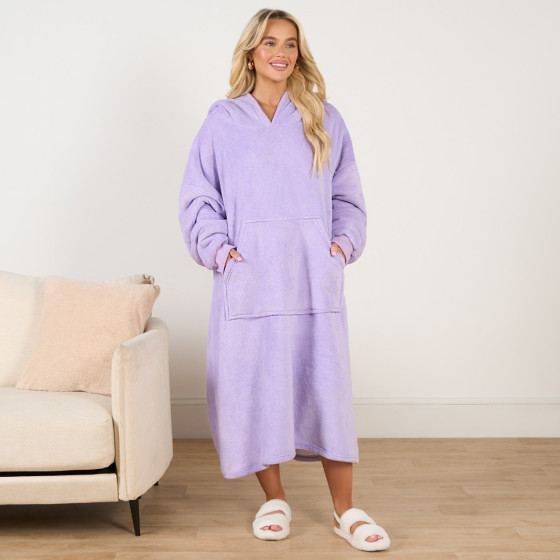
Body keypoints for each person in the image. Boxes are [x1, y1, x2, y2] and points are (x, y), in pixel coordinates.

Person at [178, 8, 390, 553]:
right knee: (254, 388)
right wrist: (222, 254)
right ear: (251, 52)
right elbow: (199, 200)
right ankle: (274, 498)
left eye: (290, 44)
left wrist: (340, 248)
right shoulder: (223, 122)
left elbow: (348, 198)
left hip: (311, 279)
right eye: (270, 42)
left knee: (326, 388)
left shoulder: (324, 118)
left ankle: (346, 511)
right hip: (249, 278)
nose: (281, 52)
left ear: (299, 53)